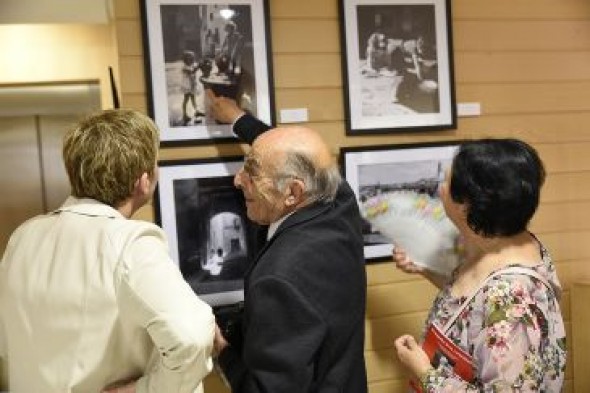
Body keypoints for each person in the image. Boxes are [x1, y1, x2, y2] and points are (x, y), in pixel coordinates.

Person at [0, 109, 215, 393]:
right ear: (143, 180)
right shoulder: (130, 243)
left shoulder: (24, 237)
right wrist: (145, 389)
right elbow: (192, 337)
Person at [206, 89, 368, 393]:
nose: (238, 179)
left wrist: (224, 352)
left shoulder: (279, 278)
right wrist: (237, 119)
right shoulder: (338, 202)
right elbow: (293, 153)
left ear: (293, 193)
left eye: (252, 172)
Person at [392, 138, 567, 391]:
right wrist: (423, 268)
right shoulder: (504, 240)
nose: (440, 189)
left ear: (466, 205)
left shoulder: (509, 299)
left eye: (446, 182)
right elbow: (473, 302)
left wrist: (423, 371)